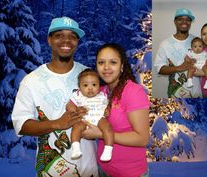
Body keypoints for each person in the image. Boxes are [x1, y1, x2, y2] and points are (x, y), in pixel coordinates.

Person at [11, 16, 99, 177]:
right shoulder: (31, 81)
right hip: (50, 170)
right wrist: (57, 124)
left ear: (77, 42)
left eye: (72, 36)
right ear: (49, 40)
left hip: (89, 169)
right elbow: (21, 124)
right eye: (59, 35)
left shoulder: (89, 75)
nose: (66, 40)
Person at [82, 43, 151, 177]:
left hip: (130, 173)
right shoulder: (101, 93)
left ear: (122, 66)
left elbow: (142, 138)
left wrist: (101, 134)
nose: (106, 67)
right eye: (101, 62)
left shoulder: (133, 92)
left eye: (113, 62)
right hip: (103, 171)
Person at [66, 68, 114, 161]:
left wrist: (108, 109)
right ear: (79, 87)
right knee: (76, 128)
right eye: (85, 85)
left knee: (108, 128)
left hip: (100, 118)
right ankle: (76, 147)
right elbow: (69, 105)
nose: (90, 88)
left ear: (99, 85)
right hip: (84, 120)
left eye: (94, 85)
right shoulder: (77, 95)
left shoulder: (103, 94)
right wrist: (74, 109)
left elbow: (109, 104)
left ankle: (108, 149)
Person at [154, 8, 202, 98]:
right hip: (176, 93)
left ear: (190, 22)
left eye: (188, 20)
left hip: (196, 93)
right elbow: (159, 69)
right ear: (175, 22)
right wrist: (179, 68)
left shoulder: (197, 41)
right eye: (180, 19)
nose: (184, 22)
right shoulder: (165, 44)